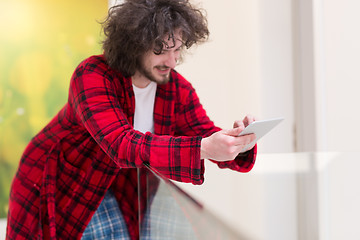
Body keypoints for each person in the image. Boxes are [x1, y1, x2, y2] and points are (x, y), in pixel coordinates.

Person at [6, 0, 257, 239]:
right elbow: (122, 145)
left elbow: (204, 133)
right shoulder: (93, 75)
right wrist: (203, 147)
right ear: (135, 44)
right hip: (61, 181)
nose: (172, 61)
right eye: (161, 50)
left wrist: (237, 142)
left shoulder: (175, 88)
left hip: (120, 185)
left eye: (178, 49)